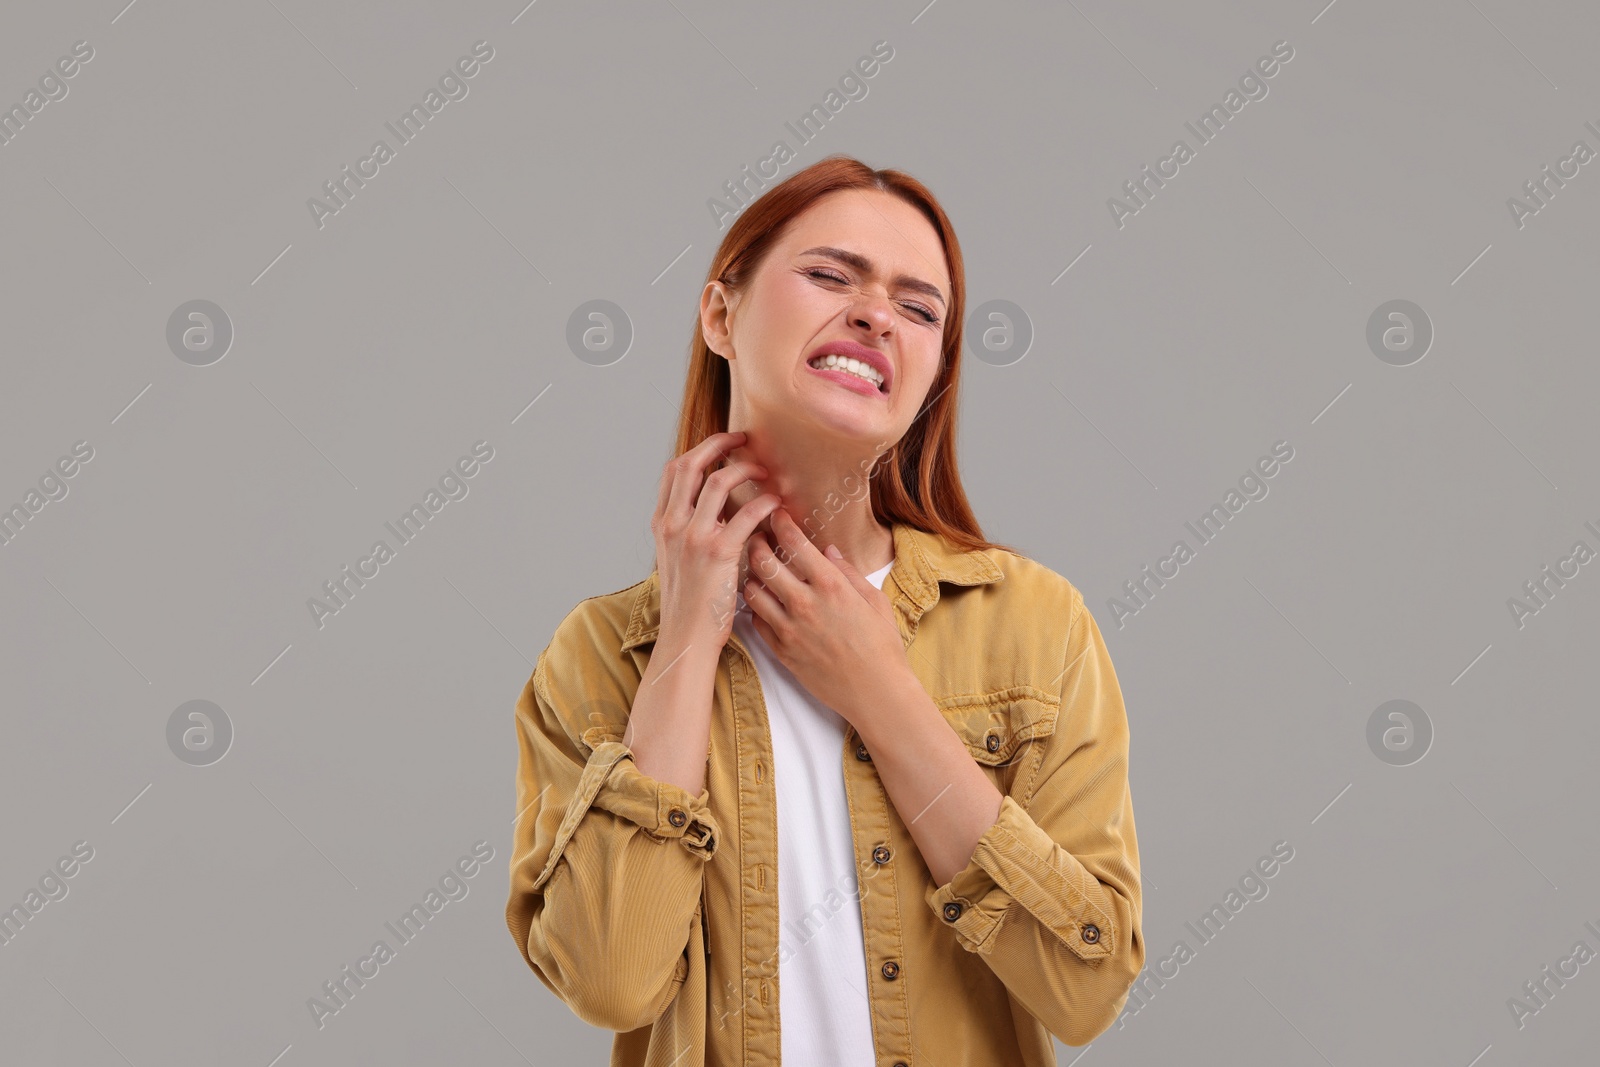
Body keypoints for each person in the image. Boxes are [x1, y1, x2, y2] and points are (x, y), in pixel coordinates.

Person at [506, 154, 1144, 1065]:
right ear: (720, 315)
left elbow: (1088, 985)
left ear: (932, 373)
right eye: (830, 275)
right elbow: (612, 978)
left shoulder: (1035, 624)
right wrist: (688, 633)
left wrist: (879, 691)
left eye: (919, 308)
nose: (876, 314)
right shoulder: (603, 652)